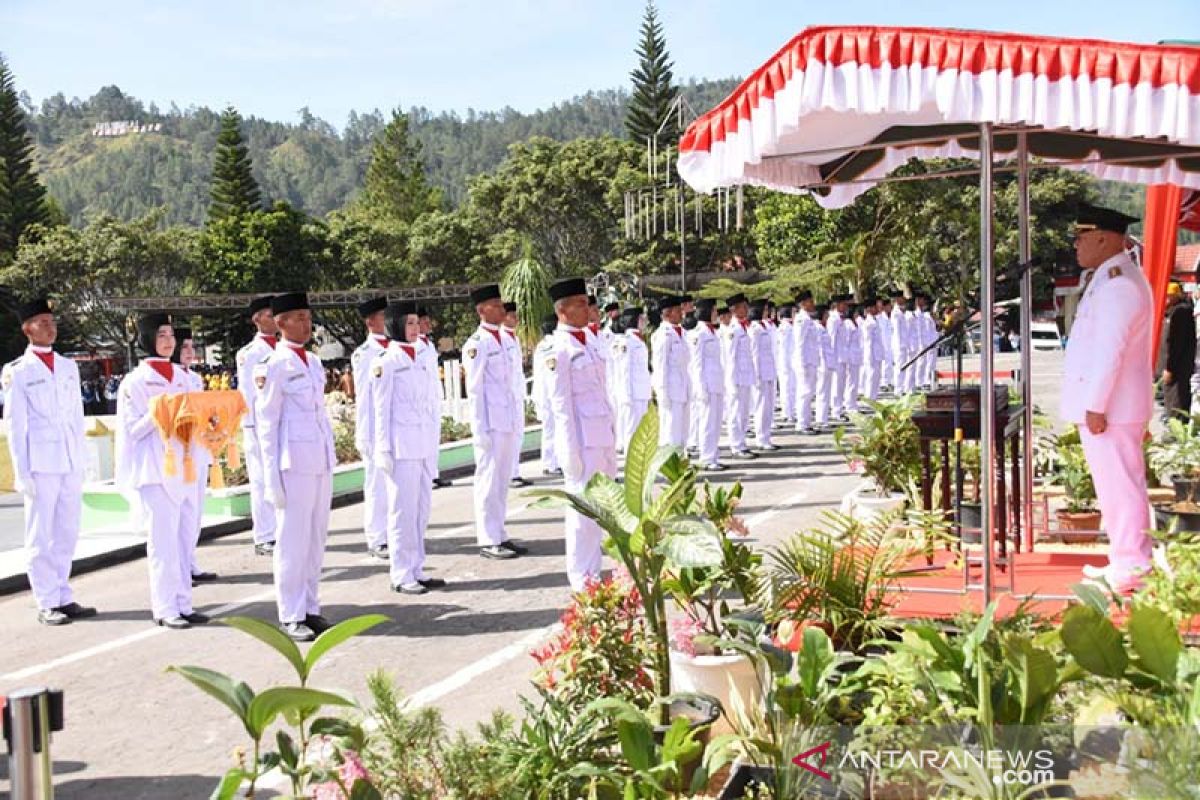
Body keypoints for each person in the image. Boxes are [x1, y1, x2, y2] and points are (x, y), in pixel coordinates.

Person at [1061, 204, 1154, 594]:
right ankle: (1123, 557)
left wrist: (1096, 405)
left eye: (1082, 236)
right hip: (1110, 406)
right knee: (1114, 487)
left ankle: (1132, 565)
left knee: (1122, 486)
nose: (1077, 245)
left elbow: (1110, 351)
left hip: (1111, 408)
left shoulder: (1118, 284)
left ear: (1103, 237)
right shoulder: (1108, 278)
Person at [4, 297, 95, 626]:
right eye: (42, 322)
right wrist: (22, 472)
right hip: (41, 463)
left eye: (52, 321)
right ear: (27, 328)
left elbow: (76, 416)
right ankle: (46, 600)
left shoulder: (68, 367)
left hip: (69, 460)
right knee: (40, 534)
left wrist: (82, 459)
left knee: (67, 530)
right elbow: (16, 427)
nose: (50, 327)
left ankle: (63, 593)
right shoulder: (18, 372)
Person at [255, 292, 337, 641]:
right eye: (298, 317)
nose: (307, 323)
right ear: (280, 322)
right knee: (292, 541)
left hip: (319, 459)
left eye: (308, 316)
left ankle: (310, 607)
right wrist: (270, 479)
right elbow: (267, 424)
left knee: (316, 538)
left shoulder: (314, 363)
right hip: (293, 465)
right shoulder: (272, 366)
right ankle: (290, 614)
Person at [116, 313, 205, 629]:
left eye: (170, 335)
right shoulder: (135, 381)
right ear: (147, 339)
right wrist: (160, 411)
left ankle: (184, 602)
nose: (168, 341)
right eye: (162, 335)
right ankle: (165, 608)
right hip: (154, 471)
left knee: (183, 540)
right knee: (162, 544)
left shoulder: (183, 377)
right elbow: (132, 430)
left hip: (183, 467)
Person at [544, 277, 618, 589]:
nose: (588, 308)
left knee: (601, 509)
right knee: (581, 513)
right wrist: (568, 450)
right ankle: (581, 577)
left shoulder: (590, 341)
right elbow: (559, 405)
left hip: (602, 434)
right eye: (581, 303)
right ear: (563, 310)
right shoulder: (556, 349)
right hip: (582, 441)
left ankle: (595, 571)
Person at [368, 301, 446, 595]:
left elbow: (431, 404)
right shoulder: (385, 362)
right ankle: (401, 573)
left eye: (416, 323)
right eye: (409, 323)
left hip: (424, 443)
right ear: (395, 326)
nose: (415, 329)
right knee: (402, 511)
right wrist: (383, 450)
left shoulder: (424, 357)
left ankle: (417, 567)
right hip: (400, 448)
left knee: (421, 511)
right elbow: (381, 410)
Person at [461, 284, 528, 561]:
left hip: (508, 419)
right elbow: (475, 391)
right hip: (490, 423)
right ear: (481, 310)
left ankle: (500, 533)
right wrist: (479, 430)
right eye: (496, 305)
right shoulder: (476, 345)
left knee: (501, 481)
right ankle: (488, 539)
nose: (502, 309)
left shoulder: (506, 340)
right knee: (488, 482)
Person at [171, 327, 218, 585]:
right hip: (182, 454)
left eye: (192, 347)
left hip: (199, 450)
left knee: (196, 511)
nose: (190, 352)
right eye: (185, 347)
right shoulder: (172, 377)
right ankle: (180, 567)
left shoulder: (196, 379)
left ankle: (190, 561)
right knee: (182, 513)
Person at [235, 296, 279, 556]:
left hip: (280, 424)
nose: (274, 318)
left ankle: (279, 530)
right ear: (257, 319)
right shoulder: (249, 354)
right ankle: (264, 535)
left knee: (279, 478)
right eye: (269, 314)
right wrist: (251, 426)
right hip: (258, 425)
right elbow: (248, 392)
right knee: (261, 480)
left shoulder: (283, 348)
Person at [350, 297, 390, 560]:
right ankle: (377, 537)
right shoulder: (364, 354)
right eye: (383, 316)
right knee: (376, 484)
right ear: (370, 321)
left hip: (394, 427)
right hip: (374, 428)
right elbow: (364, 398)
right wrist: (364, 434)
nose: (388, 321)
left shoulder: (398, 347)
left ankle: (394, 533)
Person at [688, 298, 727, 471]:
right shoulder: (699, 334)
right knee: (707, 422)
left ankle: (713, 455)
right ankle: (706, 457)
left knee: (716, 422)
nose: (716, 314)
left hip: (716, 382)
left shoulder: (714, 333)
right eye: (714, 311)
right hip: (706, 385)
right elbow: (696, 364)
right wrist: (700, 388)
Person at [418, 306, 453, 489]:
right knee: (423, 439)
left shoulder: (429, 345)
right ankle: (425, 476)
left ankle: (433, 473)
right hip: (421, 400)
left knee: (433, 438)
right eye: (423, 321)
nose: (427, 324)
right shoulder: (414, 346)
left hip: (433, 398)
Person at [651, 295, 691, 449]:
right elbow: (659, 365)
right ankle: (667, 468)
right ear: (668, 313)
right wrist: (662, 392)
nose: (682, 313)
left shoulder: (682, 333)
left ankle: (679, 466)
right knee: (670, 431)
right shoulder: (663, 335)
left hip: (683, 388)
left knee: (682, 431)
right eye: (678, 310)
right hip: (671, 390)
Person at [611, 307, 651, 453]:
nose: (645, 321)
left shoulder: (637, 340)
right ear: (636, 320)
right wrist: (626, 395)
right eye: (642, 318)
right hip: (631, 394)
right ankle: (631, 461)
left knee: (640, 432)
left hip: (640, 393)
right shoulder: (625, 342)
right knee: (631, 431)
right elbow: (624, 370)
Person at [722, 292, 756, 459]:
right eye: (743, 306)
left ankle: (742, 443)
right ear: (735, 310)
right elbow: (729, 358)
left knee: (744, 412)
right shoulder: (732, 331)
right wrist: (731, 382)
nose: (747, 309)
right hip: (736, 378)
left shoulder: (744, 327)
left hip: (745, 376)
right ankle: (736, 445)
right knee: (735, 412)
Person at [502, 301, 531, 488]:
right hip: (505, 397)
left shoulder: (515, 339)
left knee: (518, 434)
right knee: (509, 436)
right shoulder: (501, 339)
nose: (516, 319)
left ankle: (515, 471)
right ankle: (510, 474)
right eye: (512, 315)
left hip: (517, 394)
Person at [530, 315, 562, 475]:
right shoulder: (550, 345)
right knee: (552, 429)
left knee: (552, 429)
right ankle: (550, 464)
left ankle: (553, 462)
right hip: (549, 394)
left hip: (546, 393)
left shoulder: (544, 344)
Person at [748, 299, 779, 451]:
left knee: (768, 406)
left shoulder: (764, 326)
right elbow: (754, 354)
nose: (767, 312)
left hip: (769, 371)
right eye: (765, 309)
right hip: (760, 373)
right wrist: (756, 375)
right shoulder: (754, 329)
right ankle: (761, 438)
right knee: (761, 406)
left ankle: (767, 437)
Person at [1162, 282, 1195, 421]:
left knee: (1177, 398)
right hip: (1171, 364)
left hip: (1179, 367)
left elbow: (1177, 343)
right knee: (1170, 396)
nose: (1166, 300)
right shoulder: (1170, 312)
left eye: (1169, 297)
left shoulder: (1181, 312)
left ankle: (1177, 428)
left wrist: (1170, 368)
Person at [792, 291, 820, 435]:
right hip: (804, 362)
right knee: (804, 393)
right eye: (810, 301)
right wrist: (802, 363)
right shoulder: (801, 319)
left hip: (810, 360)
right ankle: (802, 424)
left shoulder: (807, 318)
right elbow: (800, 343)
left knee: (808, 393)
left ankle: (806, 422)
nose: (813, 303)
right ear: (803, 303)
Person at [776, 305, 797, 424]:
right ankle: (787, 413)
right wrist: (786, 363)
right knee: (786, 388)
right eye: (793, 312)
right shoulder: (785, 328)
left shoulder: (789, 326)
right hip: (786, 362)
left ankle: (791, 411)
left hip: (790, 361)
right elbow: (783, 348)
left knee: (791, 387)